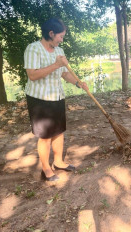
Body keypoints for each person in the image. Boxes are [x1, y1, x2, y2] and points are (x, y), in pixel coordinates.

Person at [24, 18, 88, 181]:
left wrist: (78, 83)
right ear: (51, 33)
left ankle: (58, 161)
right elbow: (32, 75)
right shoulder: (33, 49)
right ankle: (46, 169)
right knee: (45, 135)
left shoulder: (59, 51)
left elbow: (64, 74)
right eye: (60, 36)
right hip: (40, 99)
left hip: (57, 96)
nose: (61, 40)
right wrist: (56, 65)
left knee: (59, 131)